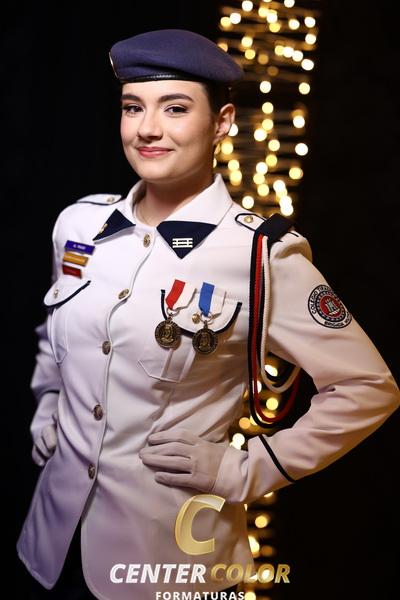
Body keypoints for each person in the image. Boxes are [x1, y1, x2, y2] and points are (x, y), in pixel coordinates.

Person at [16, 28, 399, 600]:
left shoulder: (261, 254)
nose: (147, 129)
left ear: (221, 123)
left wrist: (248, 469)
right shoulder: (80, 225)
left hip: (172, 563)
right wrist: (49, 400)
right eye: (132, 107)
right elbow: (56, 334)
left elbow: (368, 387)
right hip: (49, 549)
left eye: (175, 108)